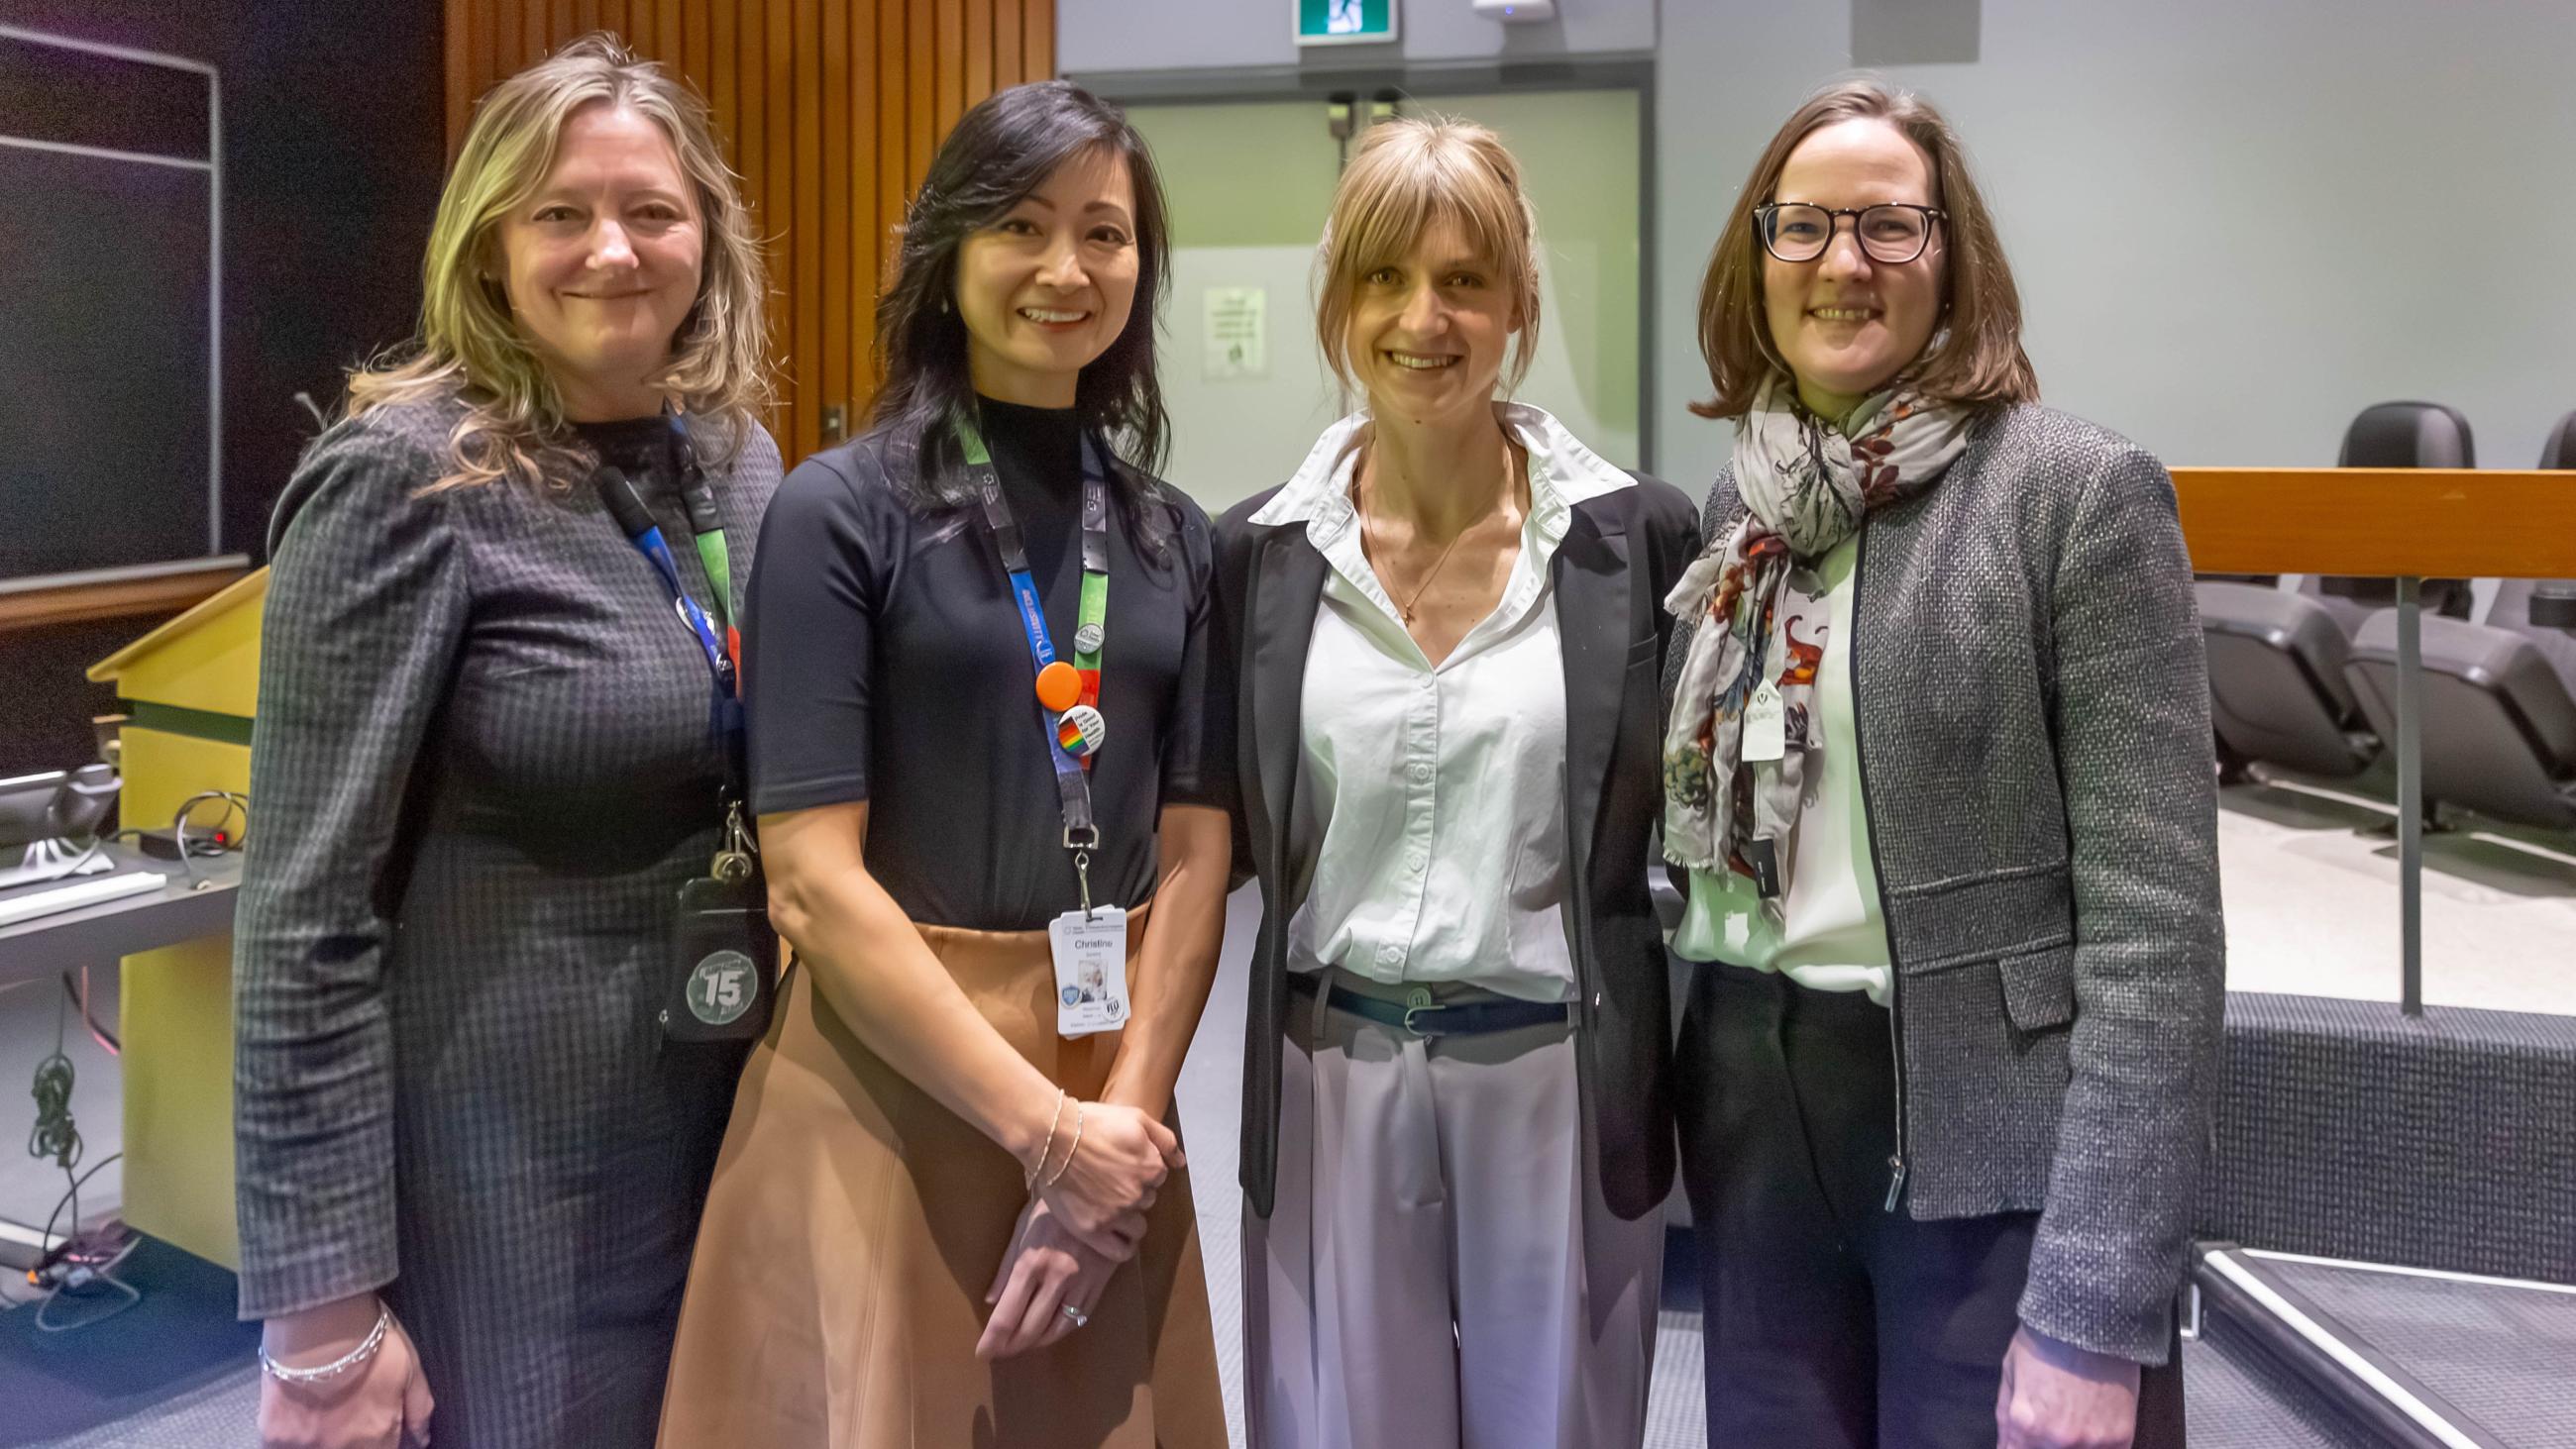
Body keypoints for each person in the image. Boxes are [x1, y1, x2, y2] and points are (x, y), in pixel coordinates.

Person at [654, 80, 1228, 1448]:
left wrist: (1118, 1139)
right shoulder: (839, 509)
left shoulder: (1174, 535)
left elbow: (1200, 855)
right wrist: (1044, 1136)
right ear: (949, 253)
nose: (1065, 269)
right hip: (890, 1077)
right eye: (1022, 227)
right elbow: (808, 883)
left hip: (1109, 1087)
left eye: (1106, 233)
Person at [232, 35, 778, 1449]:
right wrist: (319, 1317)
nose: (614, 248)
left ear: (705, 235)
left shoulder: (735, 463)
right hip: (505, 1169)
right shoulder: (404, 478)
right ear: (489, 245)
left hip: (720, 1111)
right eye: (562, 212)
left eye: (652, 210)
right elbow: (304, 917)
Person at [1662, 76, 2223, 1449]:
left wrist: (2095, 1302)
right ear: (1758, 258)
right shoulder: (1748, 505)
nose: (1843, 264)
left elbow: (2158, 936)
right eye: (1804, 227)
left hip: (1987, 1141)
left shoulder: (2072, 494)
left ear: (1951, 258)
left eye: (1889, 228)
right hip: (1754, 1115)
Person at [1218, 117, 1700, 1449]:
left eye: (1463, 281)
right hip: (1333, 1068)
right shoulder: (1256, 557)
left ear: (1518, 306)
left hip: (1556, 1068)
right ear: (1339, 306)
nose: (1423, 318)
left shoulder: (1637, 539)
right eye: (1384, 279)